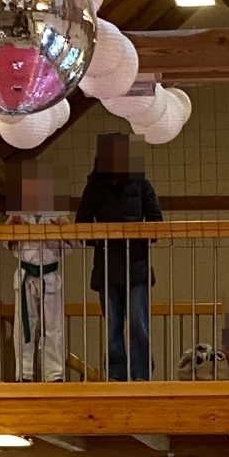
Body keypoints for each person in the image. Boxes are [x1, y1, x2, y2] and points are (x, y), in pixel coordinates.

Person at [76, 131, 161, 381]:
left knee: (137, 322)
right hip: (106, 266)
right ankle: (116, 374)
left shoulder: (141, 184)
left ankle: (141, 374)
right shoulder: (95, 186)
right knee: (113, 325)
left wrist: (136, 237)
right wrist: (101, 239)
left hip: (136, 265)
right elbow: (81, 223)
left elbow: (156, 221)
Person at [9, 163, 73, 382]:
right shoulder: (17, 213)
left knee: (53, 327)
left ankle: (54, 374)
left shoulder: (58, 213)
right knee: (23, 326)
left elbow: (69, 248)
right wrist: (14, 228)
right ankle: (23, 374)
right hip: (26, 274)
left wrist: (59, 231)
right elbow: (8, 244)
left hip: (49, 275)